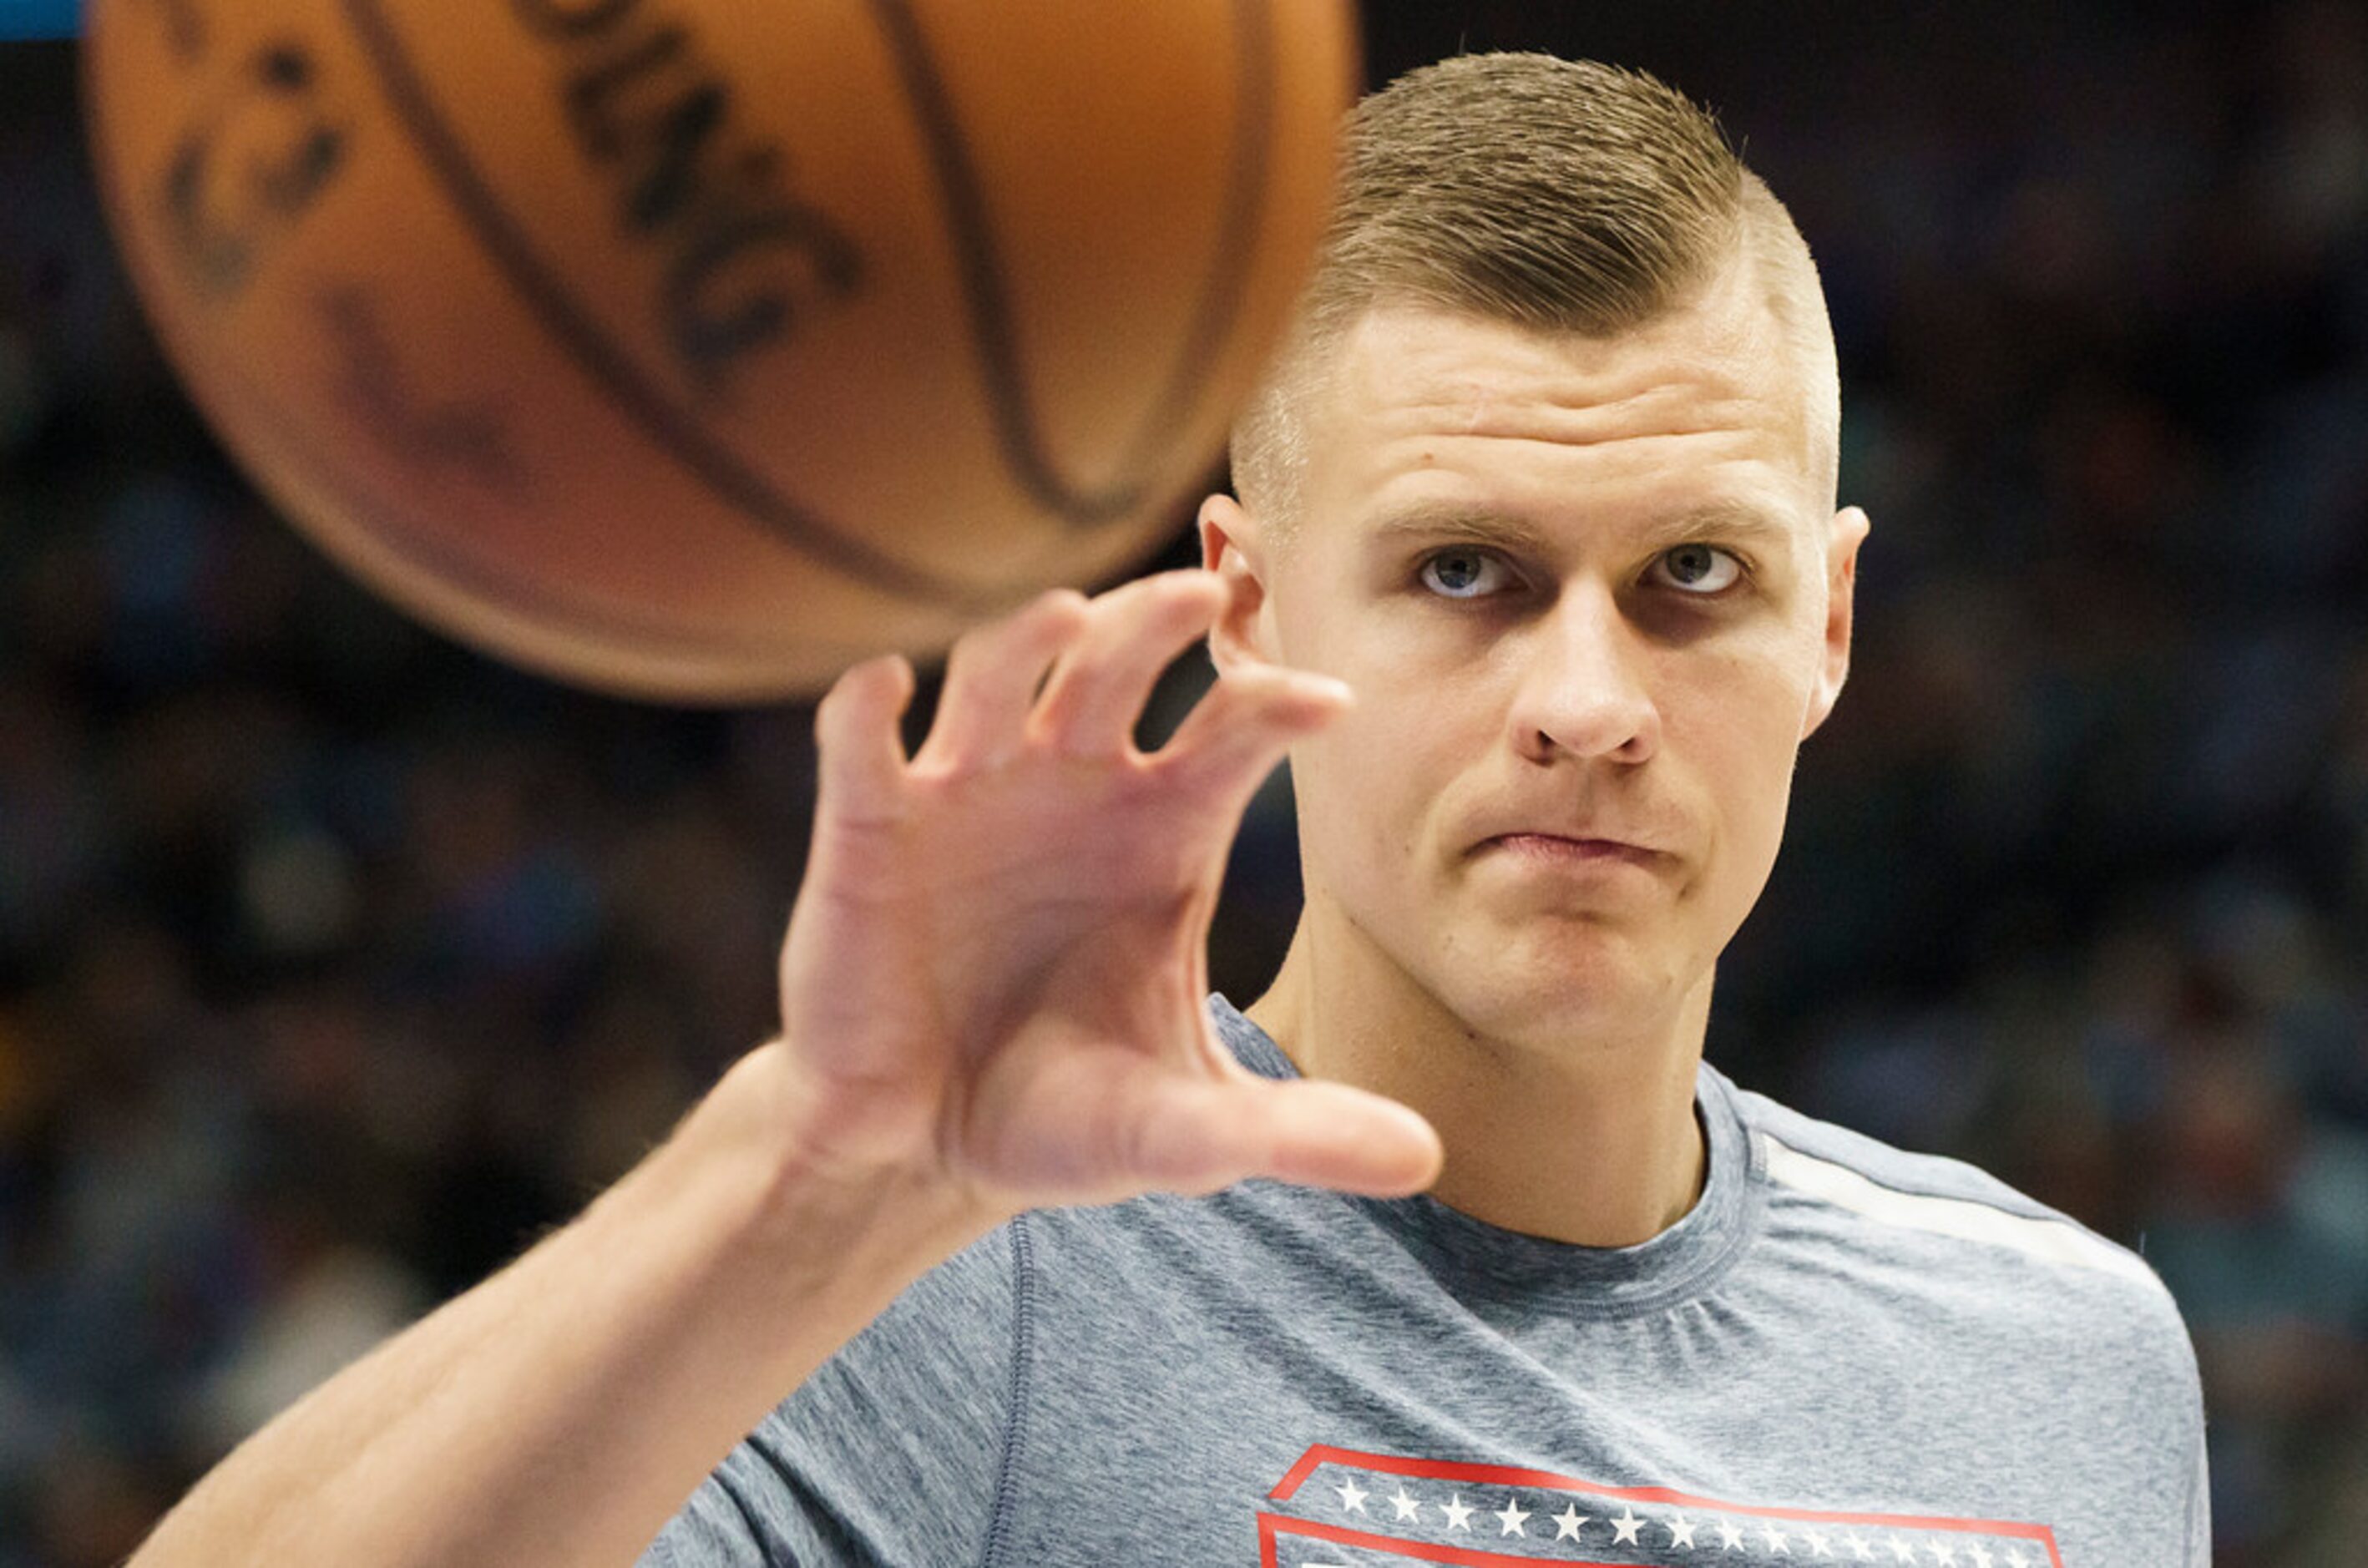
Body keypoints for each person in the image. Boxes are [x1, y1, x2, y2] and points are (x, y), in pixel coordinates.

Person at [128, 53, 2208, 1568]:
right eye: (1461, 573)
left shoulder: (2069, 1361)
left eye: (1692, 581)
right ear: (1243, 603)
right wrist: (807, 1179)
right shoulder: (954, 1283)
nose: (1588, 707)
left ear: (1828, 624)